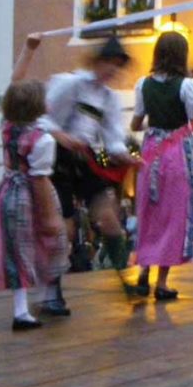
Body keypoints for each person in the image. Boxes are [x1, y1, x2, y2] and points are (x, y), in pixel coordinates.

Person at [41, 35, 138, 310]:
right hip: (57, 158)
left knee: (108, 218)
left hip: (85, 158)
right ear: (98, 62)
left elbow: (112, 137)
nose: (113, 71)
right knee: (66, 229)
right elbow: (41, 117)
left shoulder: (109, 98)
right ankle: (51, 292)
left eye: (118, 66)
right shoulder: (70, 84)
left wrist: (126, 156)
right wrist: (61, 135)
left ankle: (126, 282)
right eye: (110, 63)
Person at [129, 32, 193, 301]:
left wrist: (153, 126)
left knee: (149, 210)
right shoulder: (187, 86)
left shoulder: (142, 84)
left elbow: (135, 125)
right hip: (176, 152)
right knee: (172, 213)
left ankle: (143, 274)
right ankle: (162, 282)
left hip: (152, 150)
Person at [0, 81, 68, 330]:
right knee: (48, 245)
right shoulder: (43, 140)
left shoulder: (7, 127)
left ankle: (22, 310)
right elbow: (39, 179)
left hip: (8, 192)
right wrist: (50, 216)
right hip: (31, 197)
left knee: (17, 250)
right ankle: (47, 295)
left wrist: (29, 51)